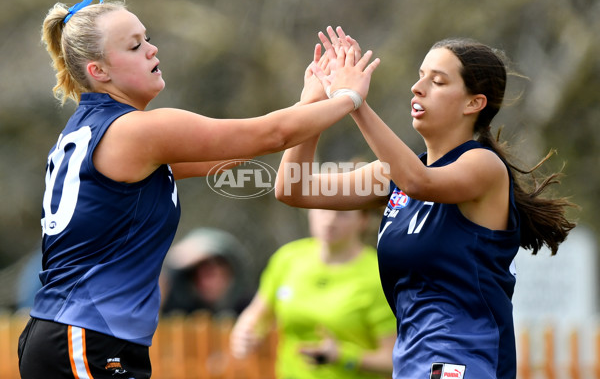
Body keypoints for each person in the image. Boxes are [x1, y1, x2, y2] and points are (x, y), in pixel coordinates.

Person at [18, 0, 380, 379]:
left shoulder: (102, 129)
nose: (152, 49)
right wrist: (349, 97)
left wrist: (307, 104)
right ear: (99, 71)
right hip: (83, 338)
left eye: (147, 38)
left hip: (81, 337)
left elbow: (233, 152)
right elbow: (271, 135)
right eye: (135, 45)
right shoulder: (137, 130)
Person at [274, 27, 577, 379]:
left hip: (464, 363)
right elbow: (293, 189)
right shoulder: (394, 177)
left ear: (473, 103)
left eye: (438, 81)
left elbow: (419, 182)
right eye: (420, 77)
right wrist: (313, 104)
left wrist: (354, 102)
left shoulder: (483, 167)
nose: (418, 88)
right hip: (412, 365)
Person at [230, 208, 396, 379]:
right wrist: (245, 332)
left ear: (363, 220)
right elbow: (258, 313)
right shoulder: (288, 259)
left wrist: (342, 356)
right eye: (323, 211)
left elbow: (392, 360)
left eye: (342, 214)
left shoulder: (378, 275)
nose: (330, 221)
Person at [160, 227, 252, 317]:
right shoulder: (178, 308)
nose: (214, 282)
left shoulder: (244, 307)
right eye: (208, 274)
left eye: (220, 274)